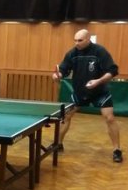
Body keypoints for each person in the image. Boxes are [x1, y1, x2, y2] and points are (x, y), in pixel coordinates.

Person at [52, 29, 123, 163]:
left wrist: (98, 81)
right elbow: (63, 69)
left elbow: (113, 71)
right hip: (80, 92)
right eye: (75, 40)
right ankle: (58, 144)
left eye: (80, 40)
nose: (76, 43)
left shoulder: (100, 51)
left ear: (88, 39)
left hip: (100, 92)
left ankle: (117, 150)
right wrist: (58, 75)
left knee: (110, 118)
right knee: (66, 116)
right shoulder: (72, 53)